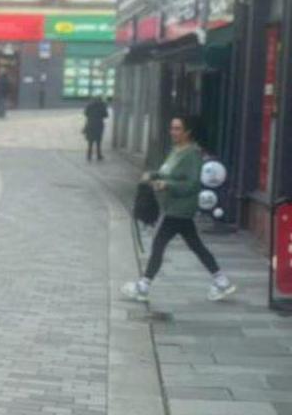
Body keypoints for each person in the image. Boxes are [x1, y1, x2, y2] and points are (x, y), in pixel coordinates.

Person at [121, 115, 236, 303]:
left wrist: (167, 185)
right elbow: (167, 172)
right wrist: (152, 174)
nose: (173, 132)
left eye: (177, 129)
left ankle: (143, 286)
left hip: (178, 208)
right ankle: (221, 281)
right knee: (196, 245)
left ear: (188, 132)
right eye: (172, 128)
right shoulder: (176, 151)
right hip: (174, 208)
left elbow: (192, 184)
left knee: (158, 245)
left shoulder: (192, 154)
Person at [83, 96, 109, 161]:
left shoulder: (89, 105)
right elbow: (106, 115)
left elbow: (85, 113)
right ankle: (98, 155)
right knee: (98, 141)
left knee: (90, 141)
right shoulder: (102, 106)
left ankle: (89, 155)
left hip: (90, 124)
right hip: (99, 125)